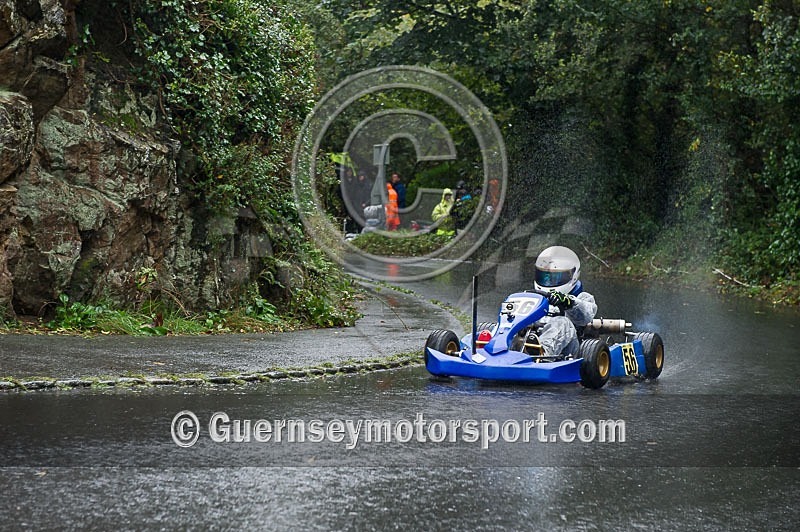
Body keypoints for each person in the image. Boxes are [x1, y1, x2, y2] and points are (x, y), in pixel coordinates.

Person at [532, 246, 597, 358]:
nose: (548, 282)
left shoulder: (583, 297)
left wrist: (569, 302)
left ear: (573, 276)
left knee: (562, 322)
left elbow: (585, 317)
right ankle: (498, 350)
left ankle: (542, 353)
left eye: (555, 277)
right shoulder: (534, 298)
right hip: (533, 339)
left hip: (569, 351)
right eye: (545, 277)